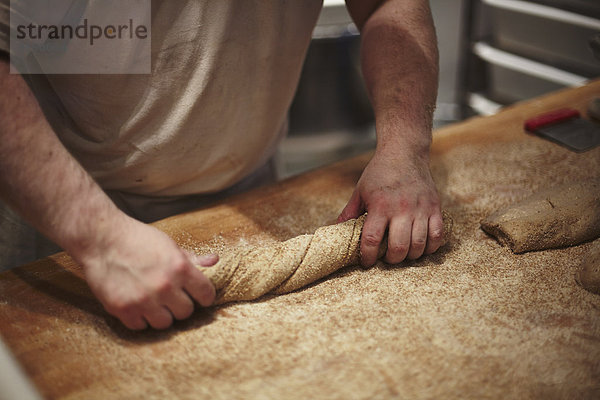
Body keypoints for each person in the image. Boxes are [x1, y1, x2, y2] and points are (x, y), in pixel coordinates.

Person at [0, 0, 444, 330]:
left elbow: (386, 5)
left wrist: (404, 148)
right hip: (58, 208)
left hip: (248, 183)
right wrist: (99, 238)